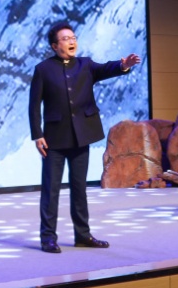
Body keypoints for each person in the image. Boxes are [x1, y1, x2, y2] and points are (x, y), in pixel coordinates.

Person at [28, 21, 141, 253]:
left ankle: (83, 235)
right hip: (54, 139)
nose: (71, 42)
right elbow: (34, 105)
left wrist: (123, 65)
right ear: (54, 46)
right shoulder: (43, 69)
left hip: (81, 137)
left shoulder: (85, 65)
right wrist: (37, 135)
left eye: (73, 38)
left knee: (79, 188)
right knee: (51, 189)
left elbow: (106, 68)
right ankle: (48, 238)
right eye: (65, 39)